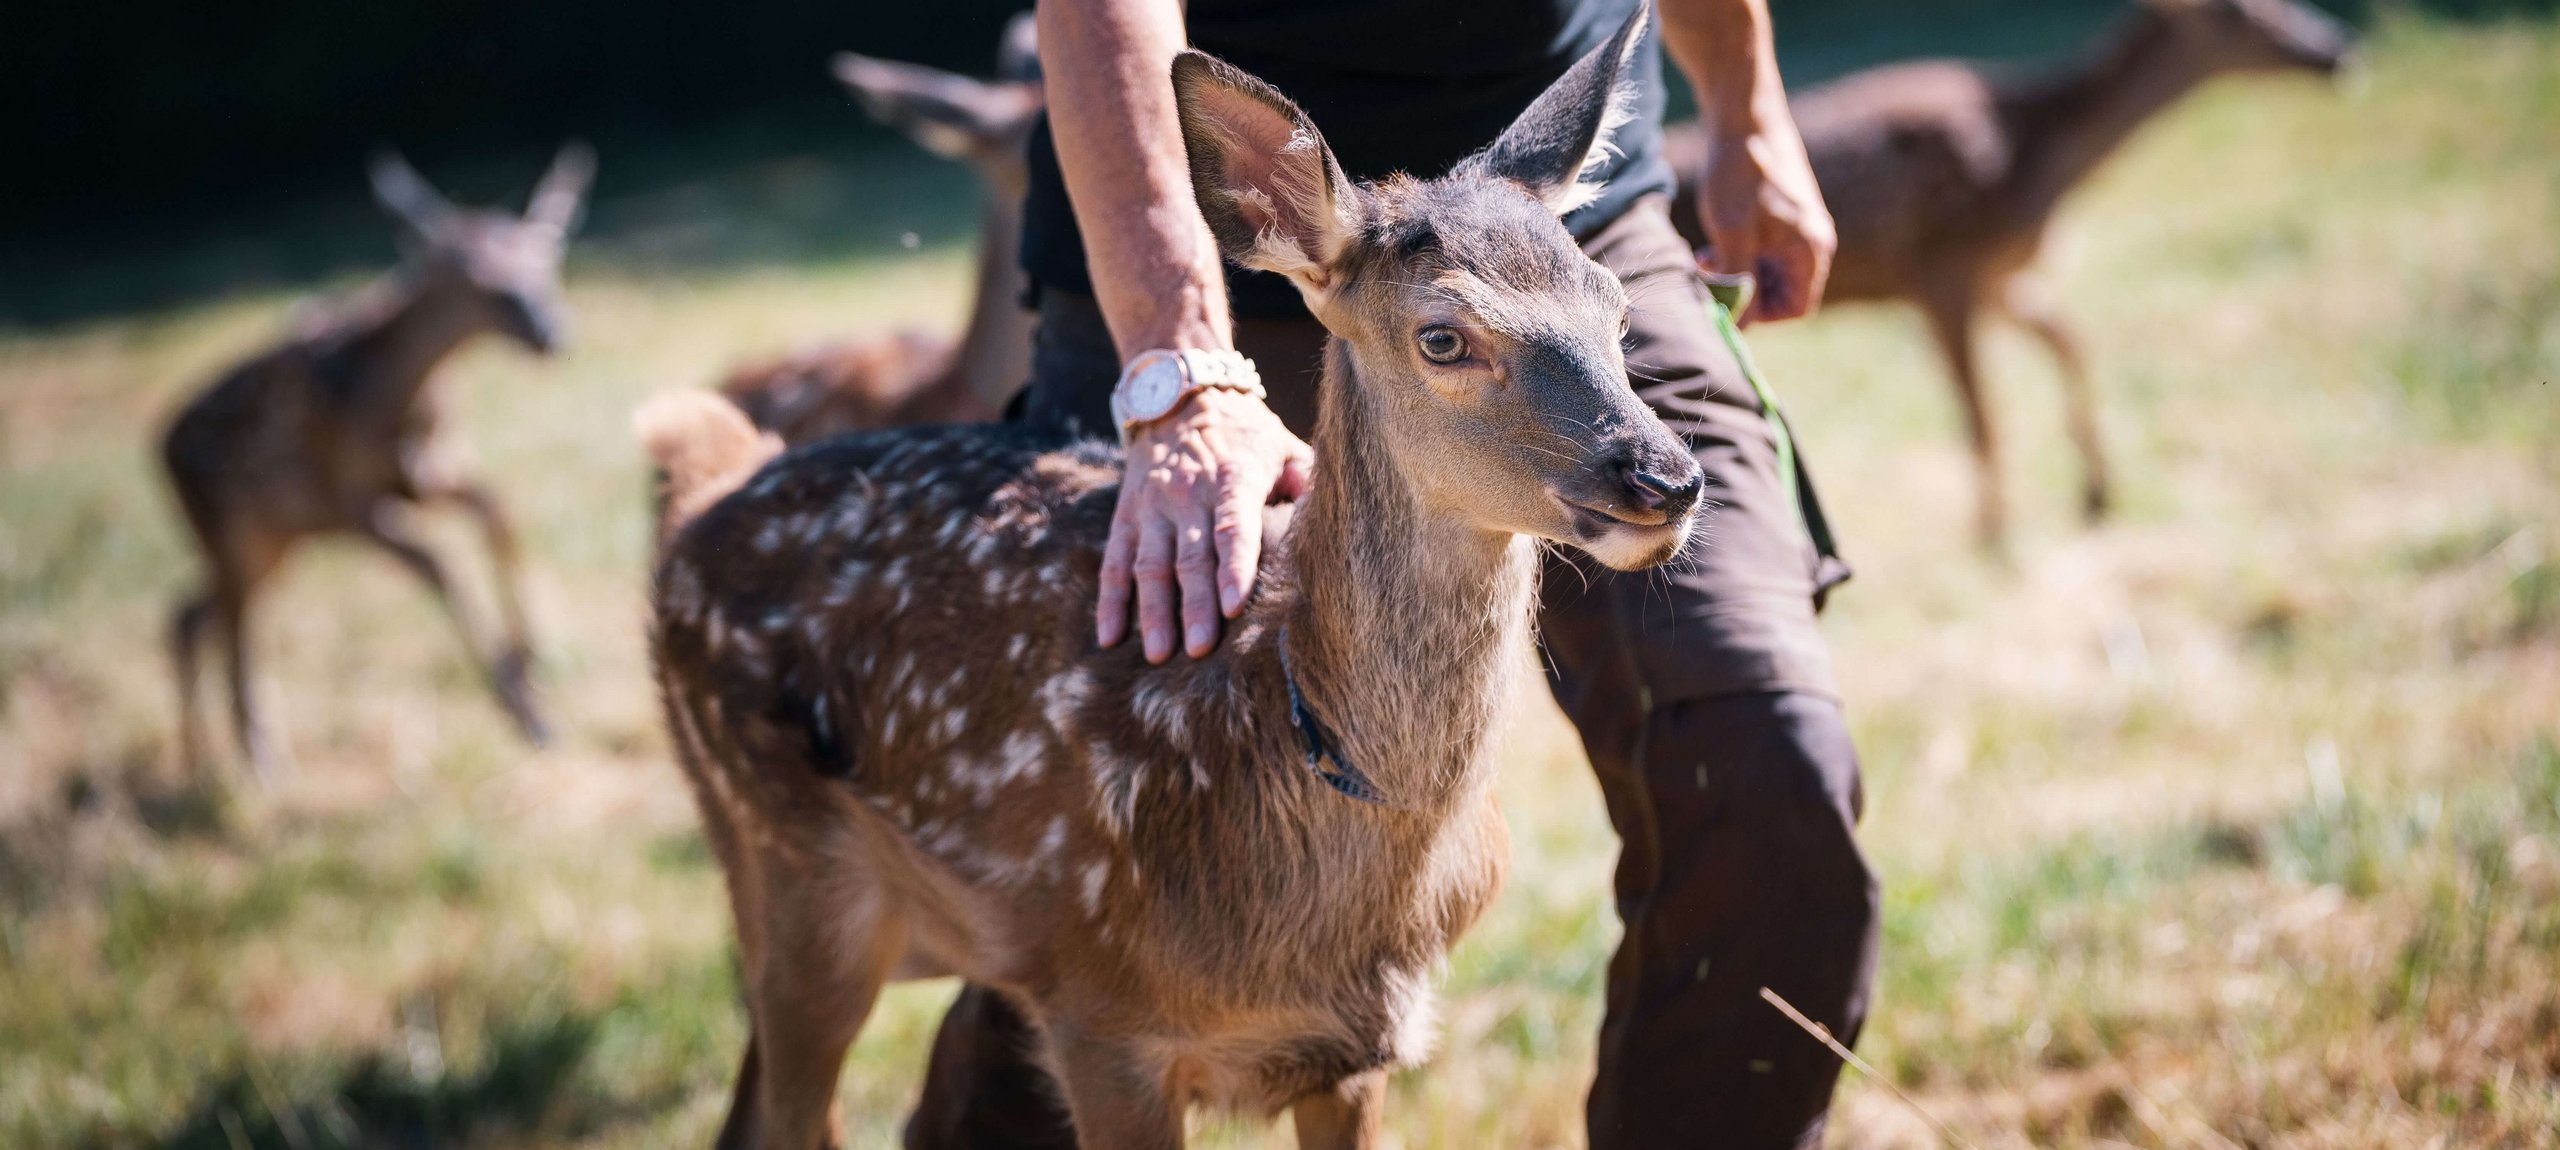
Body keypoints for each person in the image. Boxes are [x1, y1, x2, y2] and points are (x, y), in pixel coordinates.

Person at [906, 0, 1878, 1146]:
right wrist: (1175, 368)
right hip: (1200, 253)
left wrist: (1747, 107)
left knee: (1762, 770)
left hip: (1558, 243)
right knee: (1092, 849)